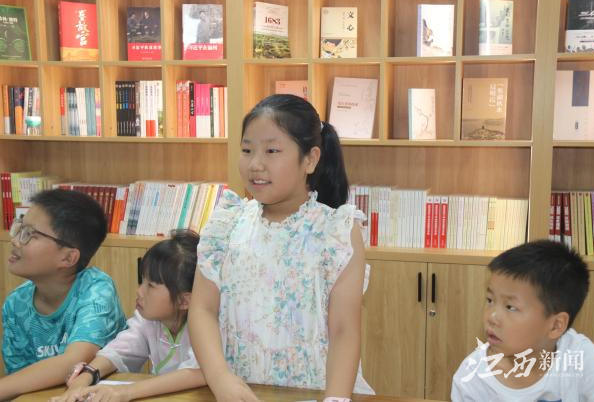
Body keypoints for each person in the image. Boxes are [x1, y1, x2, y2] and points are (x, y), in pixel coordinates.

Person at [189, 94, 374, 402]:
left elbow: (344, 330)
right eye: (247, 150)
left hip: (316, 391)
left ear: (310, 159)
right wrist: (220, 378)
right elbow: (202, 309)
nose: (255, 164)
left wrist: (335, 399)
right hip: (239, 392)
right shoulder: (227, 223)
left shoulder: (337, 232)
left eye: (272, 151)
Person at [51, 229, 205, 402]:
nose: (139, 291)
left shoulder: (208, 328)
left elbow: (197, 373)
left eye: (151, 286)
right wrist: (86, 377)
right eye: (142, 281)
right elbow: (118, 351)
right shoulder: (148, 320)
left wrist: (125, 392)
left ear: (184, 301)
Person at [0, 189, 126, 400]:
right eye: (19, 227)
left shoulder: (96, 290)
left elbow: (73, 362)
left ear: (68, 258)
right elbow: (18, 379)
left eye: (29, 234)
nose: (15, 240)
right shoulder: (16, 303)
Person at [451, 240, 594, 401]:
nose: (491, 317)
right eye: (490, 300)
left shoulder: (577, 354)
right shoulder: (471, 377)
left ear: (555, 326)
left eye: (510, 307)